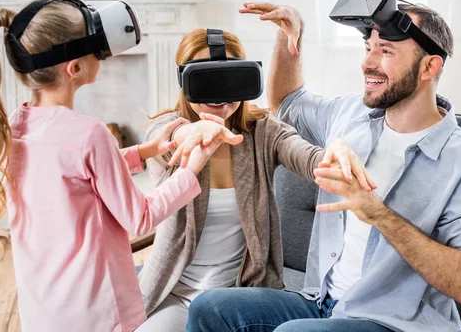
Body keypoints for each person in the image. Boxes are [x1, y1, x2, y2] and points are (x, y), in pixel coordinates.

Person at [187, 1, 461, 332]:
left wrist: (379, 214)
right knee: (210, 308)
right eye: (368, 48)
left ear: (429, 67)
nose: (367, 63)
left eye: (385, 51)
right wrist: (289, 37)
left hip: (394, 323)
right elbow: (287, 103)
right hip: (321, 303)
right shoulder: (349, 115)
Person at [0, 0, 224, 332]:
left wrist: (145, 150)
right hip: (97, 311)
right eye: (98, 53)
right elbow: (140, 217)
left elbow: (71, 175)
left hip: (44, 309)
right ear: (75, 69)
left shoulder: (17, 124)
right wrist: (192, 168)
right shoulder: (90, 134)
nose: (103, 58)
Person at [135, 28, 366, 332]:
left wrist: (334, 153)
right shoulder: (169, 131)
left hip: (238, 296)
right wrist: (189, 134)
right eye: (206, 81)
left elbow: (304, 154)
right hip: (174, 294)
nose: (219, 96)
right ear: (185, 82)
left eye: (229, 78)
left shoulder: (263, 132)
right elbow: (164, 141)